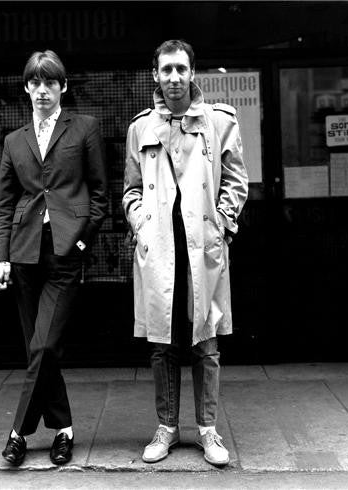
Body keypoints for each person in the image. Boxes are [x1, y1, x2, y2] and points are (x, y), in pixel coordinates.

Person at [123, 40, 248, 467]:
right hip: (159, 249)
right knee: (163, 344)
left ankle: (209, 431)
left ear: (193, 72)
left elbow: (236, 180)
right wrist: (140, 223)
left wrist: (223, 223)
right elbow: (131, 189)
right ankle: (167, 427)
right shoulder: (140, 128)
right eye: (166, 70)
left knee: (206, 340)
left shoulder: (219, 121)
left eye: (181, 69)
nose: (174, 77)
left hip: (202, 249)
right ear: (155, 76)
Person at [0, 50, 108, 466]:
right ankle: (63, 430)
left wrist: (80, 245)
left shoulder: (85, 128)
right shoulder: (13, 140)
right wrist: (2, 258)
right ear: (26, 88)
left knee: (44, 344)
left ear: (63, 87)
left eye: (50, 83)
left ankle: (17, 433)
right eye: (35, 83)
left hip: (64, 252)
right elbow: (4, 205)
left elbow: (99, 197)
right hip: (24, 254)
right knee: (40, 349)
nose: (43, 90)